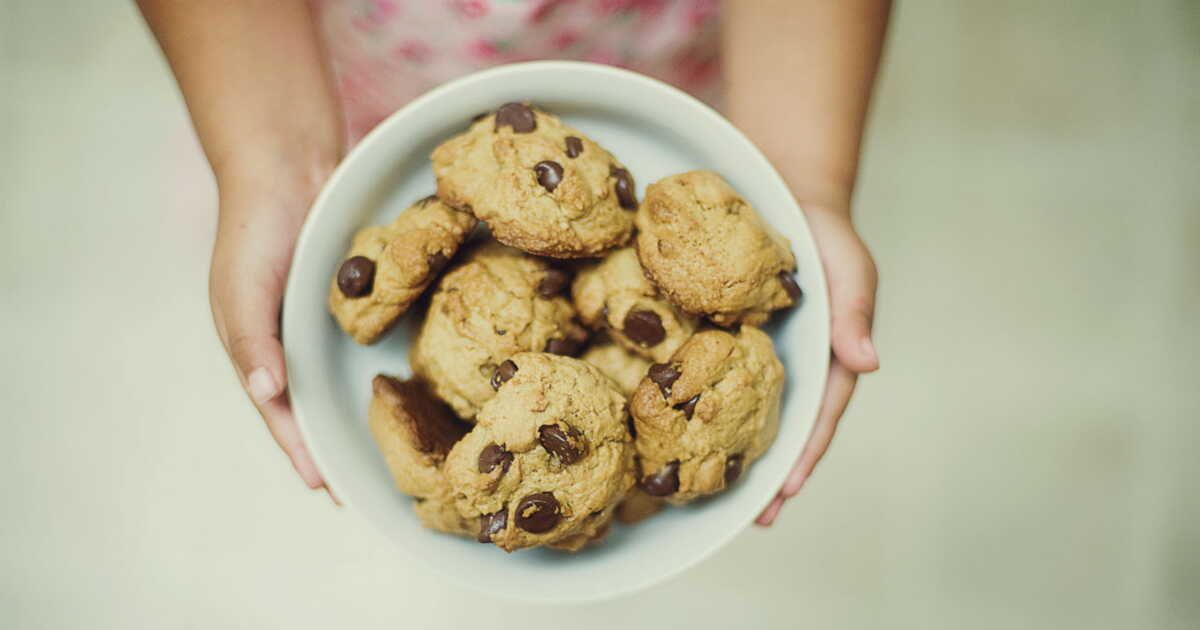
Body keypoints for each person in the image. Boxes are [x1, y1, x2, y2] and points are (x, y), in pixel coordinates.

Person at [136, 0, 887, 526]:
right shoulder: (480, 180)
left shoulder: (630, 244)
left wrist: (802, 176)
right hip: (334, 81)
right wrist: (270, 165)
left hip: (678, 60)